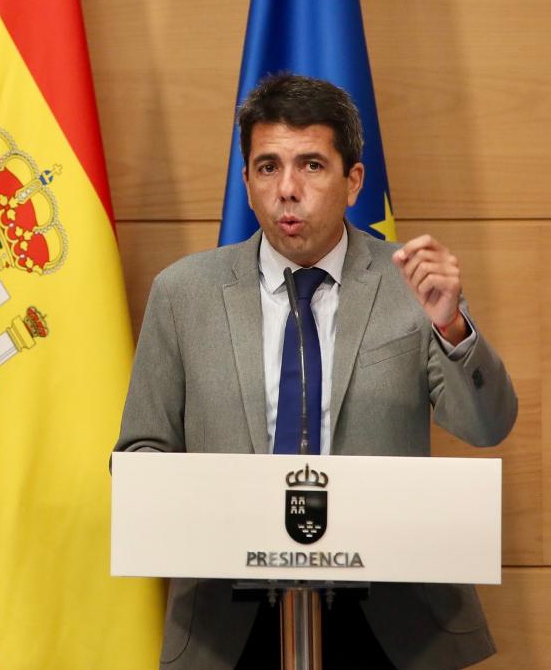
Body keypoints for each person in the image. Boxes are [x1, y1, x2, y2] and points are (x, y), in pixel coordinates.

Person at [114, 72, 517, 669]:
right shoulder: (183, 294)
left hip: (391, 619)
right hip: (230, 622)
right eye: (268, 167)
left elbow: (487, 426)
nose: (288, 189)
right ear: (247, 182)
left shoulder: (411, 284)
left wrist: (451, 329)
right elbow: (141, 451)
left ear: (353, 180)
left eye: (311, 165)